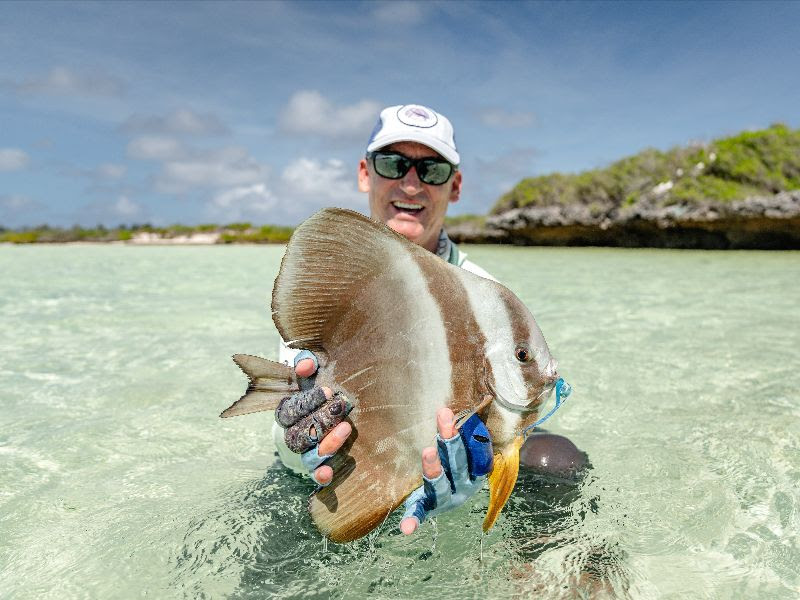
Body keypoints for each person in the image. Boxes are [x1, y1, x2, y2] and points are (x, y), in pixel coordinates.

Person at [272, 104, 583, 536]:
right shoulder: (336, 277)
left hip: (442, 485)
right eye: (392, 164)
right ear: (366, 173)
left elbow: (511, 420)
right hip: (319, 482)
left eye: (431, 169)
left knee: (561, 461)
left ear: (454, 186)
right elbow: (289, 392)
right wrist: (298, 445)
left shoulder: (491, 297)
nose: (411, 183)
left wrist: (475, 481)